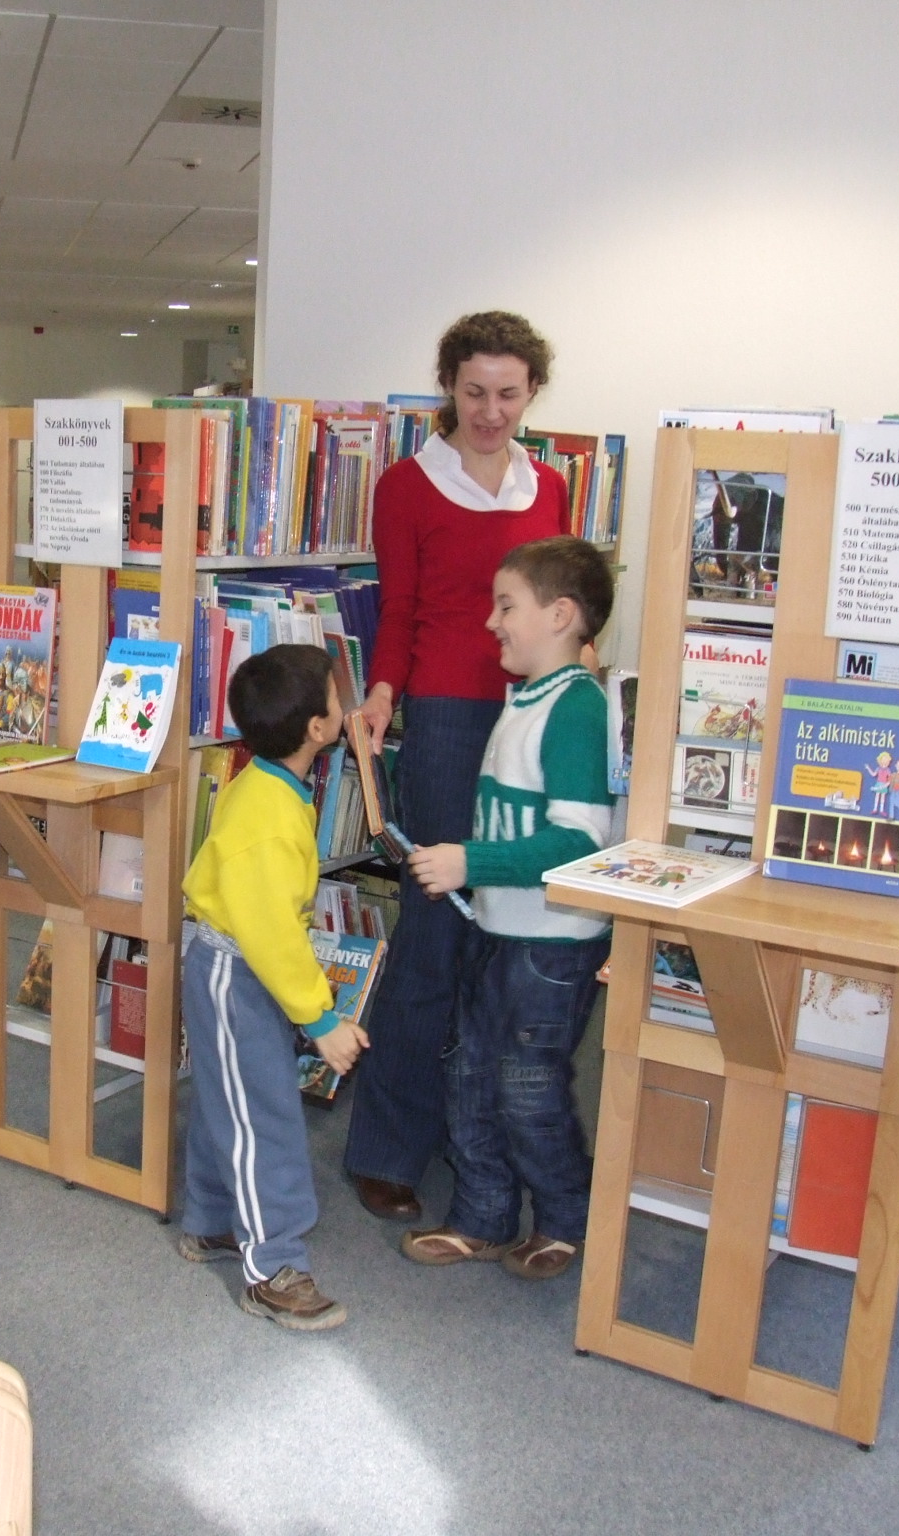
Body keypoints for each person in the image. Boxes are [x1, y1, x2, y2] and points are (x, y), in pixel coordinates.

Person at [343, 310, 571, 1223]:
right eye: (474, 392)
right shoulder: (408, 485)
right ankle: (387, 1149)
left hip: (532, 719)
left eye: (508, 394)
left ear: (532, 393)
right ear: (448, 388)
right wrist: (382, 693)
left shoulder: (549, 486)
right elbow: (399, 609)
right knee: (435, 932)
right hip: (444, 720)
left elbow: (560, 613)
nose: (490, 412)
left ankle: (478, 1138)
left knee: (509, 934)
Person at [398, 537, 616, 1279]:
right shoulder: (524, 696)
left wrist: (470, 862)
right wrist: (473, 869)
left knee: (528, 1089)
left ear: (560, 615)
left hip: (550, 946)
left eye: (506, 606)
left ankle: (563, 1217)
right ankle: (482, 1214)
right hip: (495, 929)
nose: (492, 622)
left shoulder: (577, 709)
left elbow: (579, 842)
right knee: (469, 1076)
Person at [177, 643, 368, 1330]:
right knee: (265, 1117)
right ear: (318, 728)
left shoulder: (266, 781)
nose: (345, 705)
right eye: (338, 698)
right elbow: (272, 935)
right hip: (237, 972)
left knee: (227, 1098)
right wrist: (321, 1020)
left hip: (233, 965)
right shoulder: (269, 816)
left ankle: (212, 1220)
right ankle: (273, 1268)